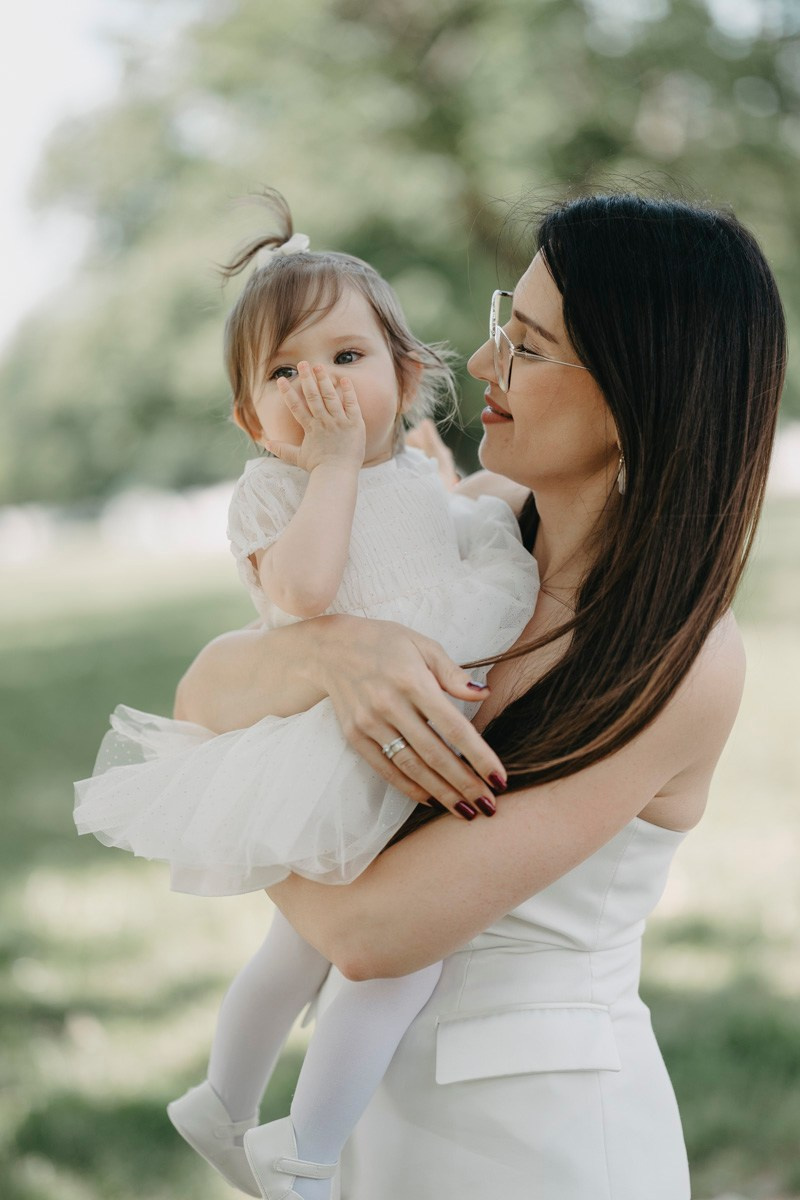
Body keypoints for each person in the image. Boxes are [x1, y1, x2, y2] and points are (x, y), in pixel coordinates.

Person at [171, 191, 785, 1200]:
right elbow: (208, 684)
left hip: (541, 1140)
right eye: (509, 320)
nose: (487, 362)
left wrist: (231, 798)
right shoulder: (478, 527)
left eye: (530, 347)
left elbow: (371, 933)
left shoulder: (681, 655)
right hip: (378, 1119)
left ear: (638, 393)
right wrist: (330, 657)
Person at [73, 190, 539, 1200]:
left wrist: (449, 490)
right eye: (284, 374)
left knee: (319, 949)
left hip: (408, 731)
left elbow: (459, 539)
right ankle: (300, 1146)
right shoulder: (277, 490)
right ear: (251, 419)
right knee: (386, 956)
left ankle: (221, 1108)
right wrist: (329, 466)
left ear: (408, 377)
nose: (317, 389)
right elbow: (301, 594)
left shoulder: (422, 475)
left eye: (343, 359)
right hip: (337, 749)